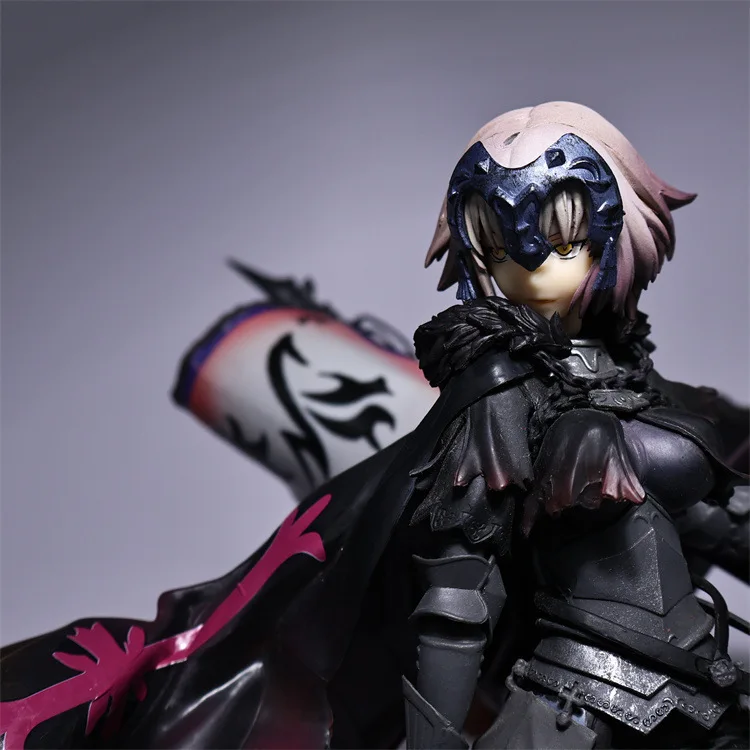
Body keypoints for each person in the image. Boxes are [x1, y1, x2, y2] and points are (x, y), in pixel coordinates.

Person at [1, 102, 747, 750]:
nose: (528, 270)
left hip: (699, 676)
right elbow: (457, 595)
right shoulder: (500, 392)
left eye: (559, 238)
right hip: (575, 704)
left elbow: (705, 508)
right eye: (496, 247)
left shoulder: (640, 382)